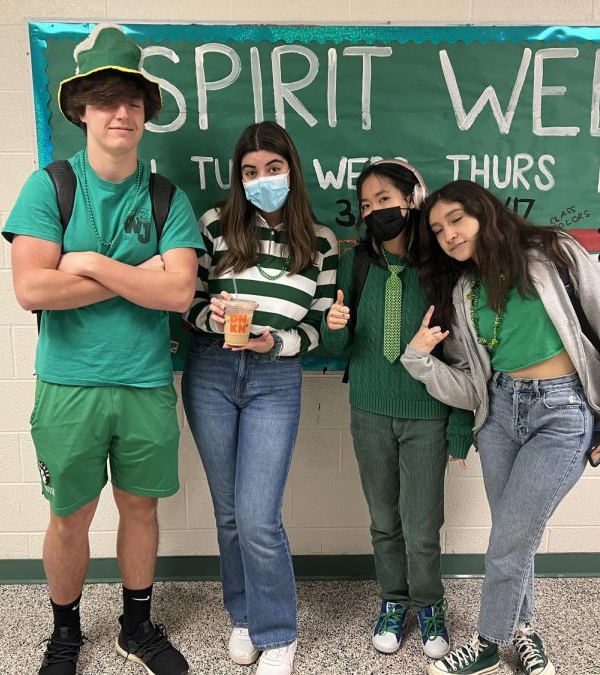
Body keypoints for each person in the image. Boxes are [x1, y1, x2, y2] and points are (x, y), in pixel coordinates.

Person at [2, 24, 204, 675]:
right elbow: (32, 285)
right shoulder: (50, 186)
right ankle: (65, 632)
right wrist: (131, 275)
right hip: (69, 385)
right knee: (70, 515)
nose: (122, 112)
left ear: (146, 115)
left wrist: (87, 263)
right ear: (82, 109)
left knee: (141, 510)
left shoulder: (167, 196)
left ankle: (137, 626)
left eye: (134, 101)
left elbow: (177, 292)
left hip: (144, 381)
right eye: (108, 99)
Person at [401, 180, 600, 675]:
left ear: (483, 212)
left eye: (456, 219)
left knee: (511, 539)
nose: (448, 234)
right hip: (499, 415)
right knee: (516, 537)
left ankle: (488, 642)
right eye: (437, 230)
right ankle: (524, 631)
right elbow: (472, 385)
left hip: (561, 413)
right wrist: (419, 360)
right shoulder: (465, 289)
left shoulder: (553, 253)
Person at [181, 121, 338, 675]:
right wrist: (210, 315)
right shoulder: (214, 226)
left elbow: (321, 324)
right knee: (228, 513)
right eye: (250, 172)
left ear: (291, 170)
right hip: (211, 370)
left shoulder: (320, 242)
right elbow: (187, 301)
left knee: (257, 515)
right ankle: (244, 616)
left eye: (272, 169)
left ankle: (279, 632)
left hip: (276, 377)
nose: (261, 180)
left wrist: (280, 340)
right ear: (238, 178)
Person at [320, 160, 473, 660]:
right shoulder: (356, 262)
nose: (374, 211)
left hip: (427, 415)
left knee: (422, 523)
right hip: (368, 411)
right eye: (366, 204)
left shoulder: (444, 272)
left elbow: (465, 359)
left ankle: (430, 604)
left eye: (384, 199)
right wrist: (335, 325)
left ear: (413, 200)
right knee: (384, 518)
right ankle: (393, 599)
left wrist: (459, 428)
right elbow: (337, 346)